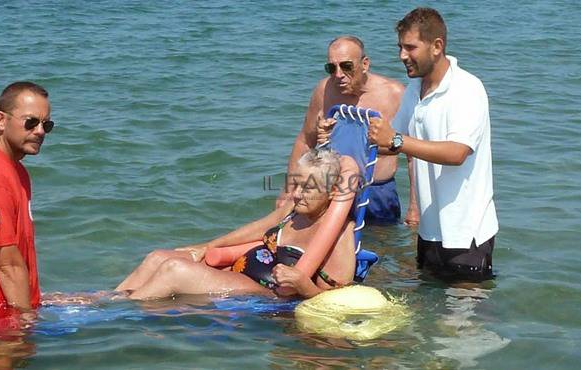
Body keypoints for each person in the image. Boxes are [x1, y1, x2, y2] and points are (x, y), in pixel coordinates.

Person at [116, 149, 356, 300]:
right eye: (296, 184)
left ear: (333, 192)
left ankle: (114, 314)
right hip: (237, 272)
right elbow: (258, 228)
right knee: (158, 257)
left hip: (266, 294)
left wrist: (304, 287)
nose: (298, 194)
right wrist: (206, 246)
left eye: (309, 187)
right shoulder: (295, 208)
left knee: (174, 270)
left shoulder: (338, 234)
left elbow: (337, 299)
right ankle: (106, 298)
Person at [367, 8, 499, 281]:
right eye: (400, 47)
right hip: (430, 230)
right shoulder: (415, 88)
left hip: (466, 232)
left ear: (437, 46)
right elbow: (393, 142)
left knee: (466, 319)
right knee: (427, 315)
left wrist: (396, 140)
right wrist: (337, 139)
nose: (402, 55)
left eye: (410, 47)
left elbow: (457, 152)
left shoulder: (466, 88)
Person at [279, 36, 419, 225]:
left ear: (365, 64)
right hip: (331, 189)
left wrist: (415, 206)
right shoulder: (324, 90)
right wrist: (288, 191)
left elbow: (414, 156)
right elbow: (305, 141)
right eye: (331, 68)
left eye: (346, 66)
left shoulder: (394, 94)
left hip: (377, 192)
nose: (338, 74)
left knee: (383, 248)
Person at [0, 82, 54, 318]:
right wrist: (26, 322)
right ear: (1, 121)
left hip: (15, 305)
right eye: (31, 122)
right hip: (0, 316)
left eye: (46, 124)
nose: (40, 131)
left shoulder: (17, 171)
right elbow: (7, 265)